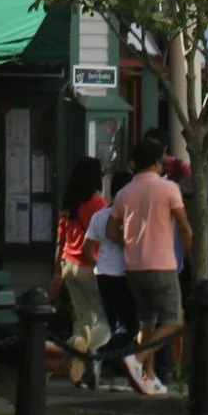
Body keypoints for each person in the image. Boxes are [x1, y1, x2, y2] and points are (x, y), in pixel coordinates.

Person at [109, 134, 188, 397]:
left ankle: (148, 377)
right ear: (157, 162)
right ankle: (137, 359)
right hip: (162, 264)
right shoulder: (168, 189)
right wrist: (192, 253)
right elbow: (185, 227)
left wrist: (131, 238)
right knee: (174, 319)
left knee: (147, 321)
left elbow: (111, 231)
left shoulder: (124, 192)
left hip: (133, 266)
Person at [54, 157, 110, 384]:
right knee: (104, 322)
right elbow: (105, 238)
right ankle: (79, 350)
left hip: (68, 265)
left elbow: (60, 240)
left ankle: (85, 372)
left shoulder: (68, 203)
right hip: (90, 266)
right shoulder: (98, 204)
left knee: (82, 319)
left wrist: (57, 271)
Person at [89, 192, 137, 387]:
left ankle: (108, 368)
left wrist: (98, 262)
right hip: (122, 274)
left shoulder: (98, 216)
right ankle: (102, 356)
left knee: (114, 324)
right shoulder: (130, 215)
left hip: (102, 273)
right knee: (131, 326)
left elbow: (87, 246)